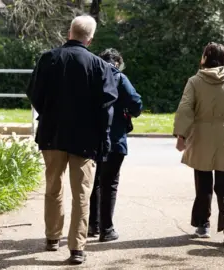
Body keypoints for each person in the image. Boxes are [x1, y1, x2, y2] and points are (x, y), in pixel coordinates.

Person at [26, 15, 118, 264]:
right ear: (91, 37)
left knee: (53, 188)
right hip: (85, 138)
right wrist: (104, 138)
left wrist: (49, 113)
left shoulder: (48, 59)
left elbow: (34, 94)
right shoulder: (100, 66)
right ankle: (77, 247)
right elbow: (107, 105)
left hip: (52, 134)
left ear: (69, 32)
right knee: (81, 194)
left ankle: (52, 237)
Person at [173, 42, 224, 244]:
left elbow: (186, 108)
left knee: (203, 185)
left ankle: (202, 225)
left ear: (205, 58)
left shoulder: (195, 82)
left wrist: (181, 135)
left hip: (201, 136)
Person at [88, 48, 143, 242]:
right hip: (116, 138)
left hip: (93, 138)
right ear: (118, 63)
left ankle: (92, 226)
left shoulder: (92, 76)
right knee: (109, 183)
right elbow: (136, 103)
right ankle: (107, 229)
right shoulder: (120, 78)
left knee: (94, 182)